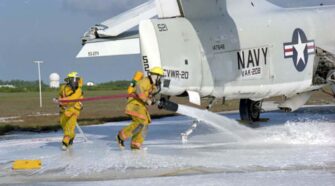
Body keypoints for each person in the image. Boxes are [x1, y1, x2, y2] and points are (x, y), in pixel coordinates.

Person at [116, 67, 164, 150]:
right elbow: (139, 88)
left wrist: (156, 100)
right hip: (134, 105)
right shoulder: (146, 81)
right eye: (159, 77)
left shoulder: (153, 86)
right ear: (154, 76)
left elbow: (154, 96)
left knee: (145, 123)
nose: (160, 79)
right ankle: (121, 136)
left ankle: (135, 144)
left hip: (141, 107)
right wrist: (146, 100)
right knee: (140, 121)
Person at [57, 72, 84, 150]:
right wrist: (59, 99)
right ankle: (71, 137)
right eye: (74, 79)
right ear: (69, 80)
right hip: (63, 111)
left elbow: (72, 99)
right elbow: (60, 95)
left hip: (74, 110)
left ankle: (65, 142)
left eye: (77, 80)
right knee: (64, 125)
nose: (75, 81)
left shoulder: (78, 90)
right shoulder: (63, 88)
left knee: (70, 126)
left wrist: (62, 100)